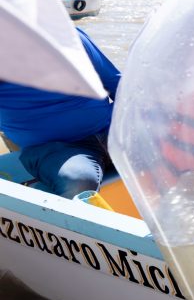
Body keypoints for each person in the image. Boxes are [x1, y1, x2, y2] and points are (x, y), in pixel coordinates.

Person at [0, 27, 120, 199]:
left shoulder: (68, 35)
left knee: (167, 139)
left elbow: (115, 81)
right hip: (56, 149)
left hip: (111, 130)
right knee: (79, 181)